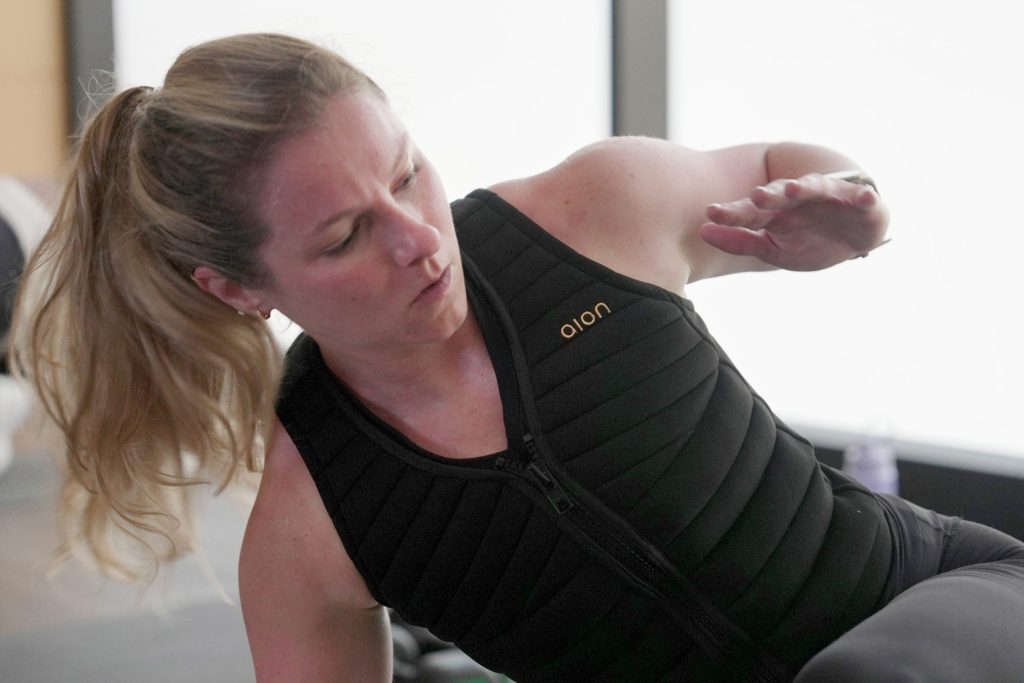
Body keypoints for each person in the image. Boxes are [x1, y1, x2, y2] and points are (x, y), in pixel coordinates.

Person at [9, 32, 1024, 682]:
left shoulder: (590, 212)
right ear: (237, 289)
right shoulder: (306, 529)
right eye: (345, 235)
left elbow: (778, 168)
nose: (418, 235)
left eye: (408, 172)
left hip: (943, 603)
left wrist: (851, 207)